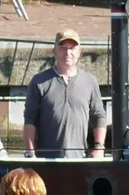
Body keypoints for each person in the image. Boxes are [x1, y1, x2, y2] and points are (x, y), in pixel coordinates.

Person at [23, 29, 107, 160]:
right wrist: (30, 153)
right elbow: (29, 118)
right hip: (46, 159)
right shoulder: (38, 81)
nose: (68, 52)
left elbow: (99, 115)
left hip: (80, 159)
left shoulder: (90, 81)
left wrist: (99, 147)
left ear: (80, 52)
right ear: (54, 51)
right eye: (62, 48)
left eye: (72, 48)